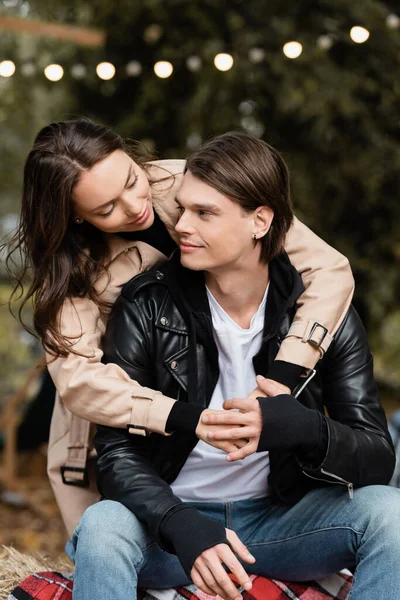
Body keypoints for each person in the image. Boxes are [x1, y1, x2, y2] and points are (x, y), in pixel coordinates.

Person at [70, 132, 397, 600]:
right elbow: (118, 454)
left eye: (205, 213)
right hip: (172, 530)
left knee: (391, 514)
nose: (180, 225)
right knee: (102, 525)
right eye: (182, 209)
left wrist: (305, 429)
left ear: (260, 221)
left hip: (280, 523)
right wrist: (179, 524)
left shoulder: (321, 313)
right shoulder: (146, 305)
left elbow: (377, 460)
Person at [5, 118, 354, 535]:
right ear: (75, 218)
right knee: (113, 544)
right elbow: (81, 381)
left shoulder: (186, 181)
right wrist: (187, 417)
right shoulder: (72, 272)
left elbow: (329, 269)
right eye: (106, 209)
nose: (135, 205)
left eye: (132, 180)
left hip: (231, 389)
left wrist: (283, 374)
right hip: (117, 413)